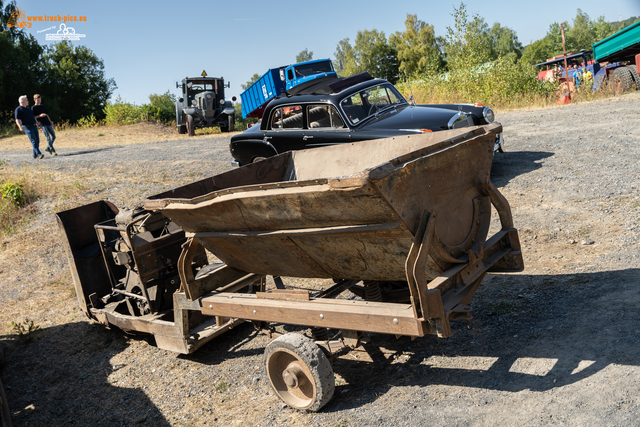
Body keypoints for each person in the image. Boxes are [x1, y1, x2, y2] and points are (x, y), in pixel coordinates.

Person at [14, 95, 44, 159]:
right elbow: (17, 119)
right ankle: (39, 154)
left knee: (37, 141)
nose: (28, 101)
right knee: (33, 141)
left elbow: (33, 117)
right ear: (23, 101)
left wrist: (39, 125)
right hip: (27, 127)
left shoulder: (28, 108)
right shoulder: (18, 109)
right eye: (27, 100)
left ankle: (34, 154)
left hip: (34, 126)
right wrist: (20, 127)